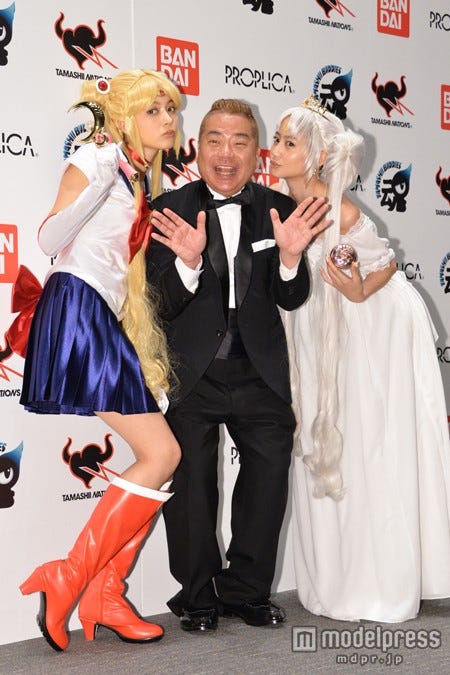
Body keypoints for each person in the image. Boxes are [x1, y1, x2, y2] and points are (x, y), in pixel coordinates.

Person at [146, 98, 331, 632]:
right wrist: (186, 263)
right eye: (215, 141)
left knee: (268, 483)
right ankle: (197, 595)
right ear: (197, 147)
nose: (226, 154)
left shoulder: (279, 207)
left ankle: (247, 591)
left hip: (260, 372)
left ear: (257, 154)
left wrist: (291, 258)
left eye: (239, 142)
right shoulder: (168, 208)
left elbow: (291, 297)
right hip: (193, 374)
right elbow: (157, 303)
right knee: (191, 488)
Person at [16, 69, 183, 651]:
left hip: (99, 314)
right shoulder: (96, 160)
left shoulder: (135, 177)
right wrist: (104, 172)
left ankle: (104, 591)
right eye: (155, 110)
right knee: (163, 453)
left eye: (171, 109)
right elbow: (48, 238)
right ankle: (75, 578)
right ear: (126, 116)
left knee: (160, 457)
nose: (169, 120)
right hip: (76, 304)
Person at [269, 96, 450, 622]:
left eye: (288, 143)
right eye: (277, 139)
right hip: (321, 332)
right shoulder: (278, 203)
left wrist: (358, 289)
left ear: (318, 156)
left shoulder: (339, 208)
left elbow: (384, 265)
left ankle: (377, 581)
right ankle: (334, 578)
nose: (274, 150)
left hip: (372, 330)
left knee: (366, 447)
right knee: (328, 443)